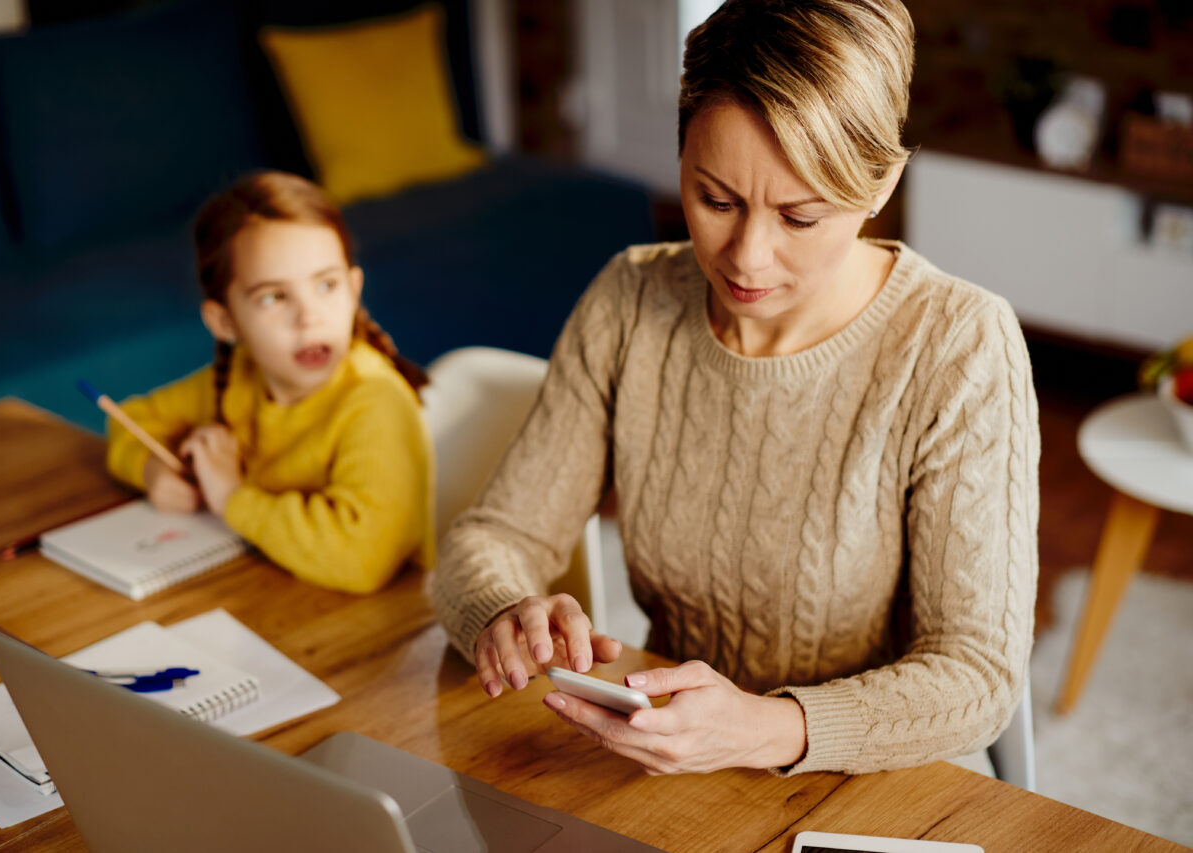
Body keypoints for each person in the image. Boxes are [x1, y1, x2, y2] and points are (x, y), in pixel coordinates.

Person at [431, 0, 1038, 777]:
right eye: (715, 200)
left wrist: (767, 728)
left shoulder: (958, 345)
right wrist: (503, 609)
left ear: (880, 184)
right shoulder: (630, 299)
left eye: (800, 216)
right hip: (669, 766)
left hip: (872, 782)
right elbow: (488, 539)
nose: (747, 258)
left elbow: (977, 675)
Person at [106, 170, 434, 594]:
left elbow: (363, 559)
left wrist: (231, 497)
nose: (308, 316)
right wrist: (152, 469)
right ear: (225, 321)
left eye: (326, 285)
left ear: (354, 291)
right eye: (274, 297)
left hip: (383, 632)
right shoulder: (239, 378)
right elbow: (129, 418)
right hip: (266, 598)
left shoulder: (374, 400)